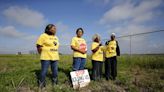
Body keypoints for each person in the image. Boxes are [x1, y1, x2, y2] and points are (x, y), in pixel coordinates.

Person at [36, 24, 59, 88]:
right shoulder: (43, 36)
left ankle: (55, 83)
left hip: (55, 57)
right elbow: (38, 45)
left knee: (55, 71)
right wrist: (42, 53)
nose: (55, 29)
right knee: (44, 71)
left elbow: (56, 46)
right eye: (53, 28)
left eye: (55, 28)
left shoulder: (56, 37)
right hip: (46, 57)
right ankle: (42, 85)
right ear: (48, 29)